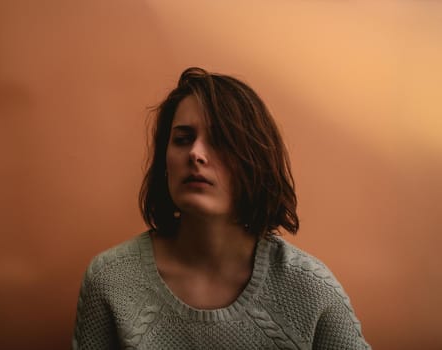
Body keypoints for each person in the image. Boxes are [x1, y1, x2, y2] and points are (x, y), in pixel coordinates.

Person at [72, 67, 371, 349]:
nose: (195, 153)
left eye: (219, 140)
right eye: (182, 139)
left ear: (255, 162)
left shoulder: (310, 290)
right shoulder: (111, 280)